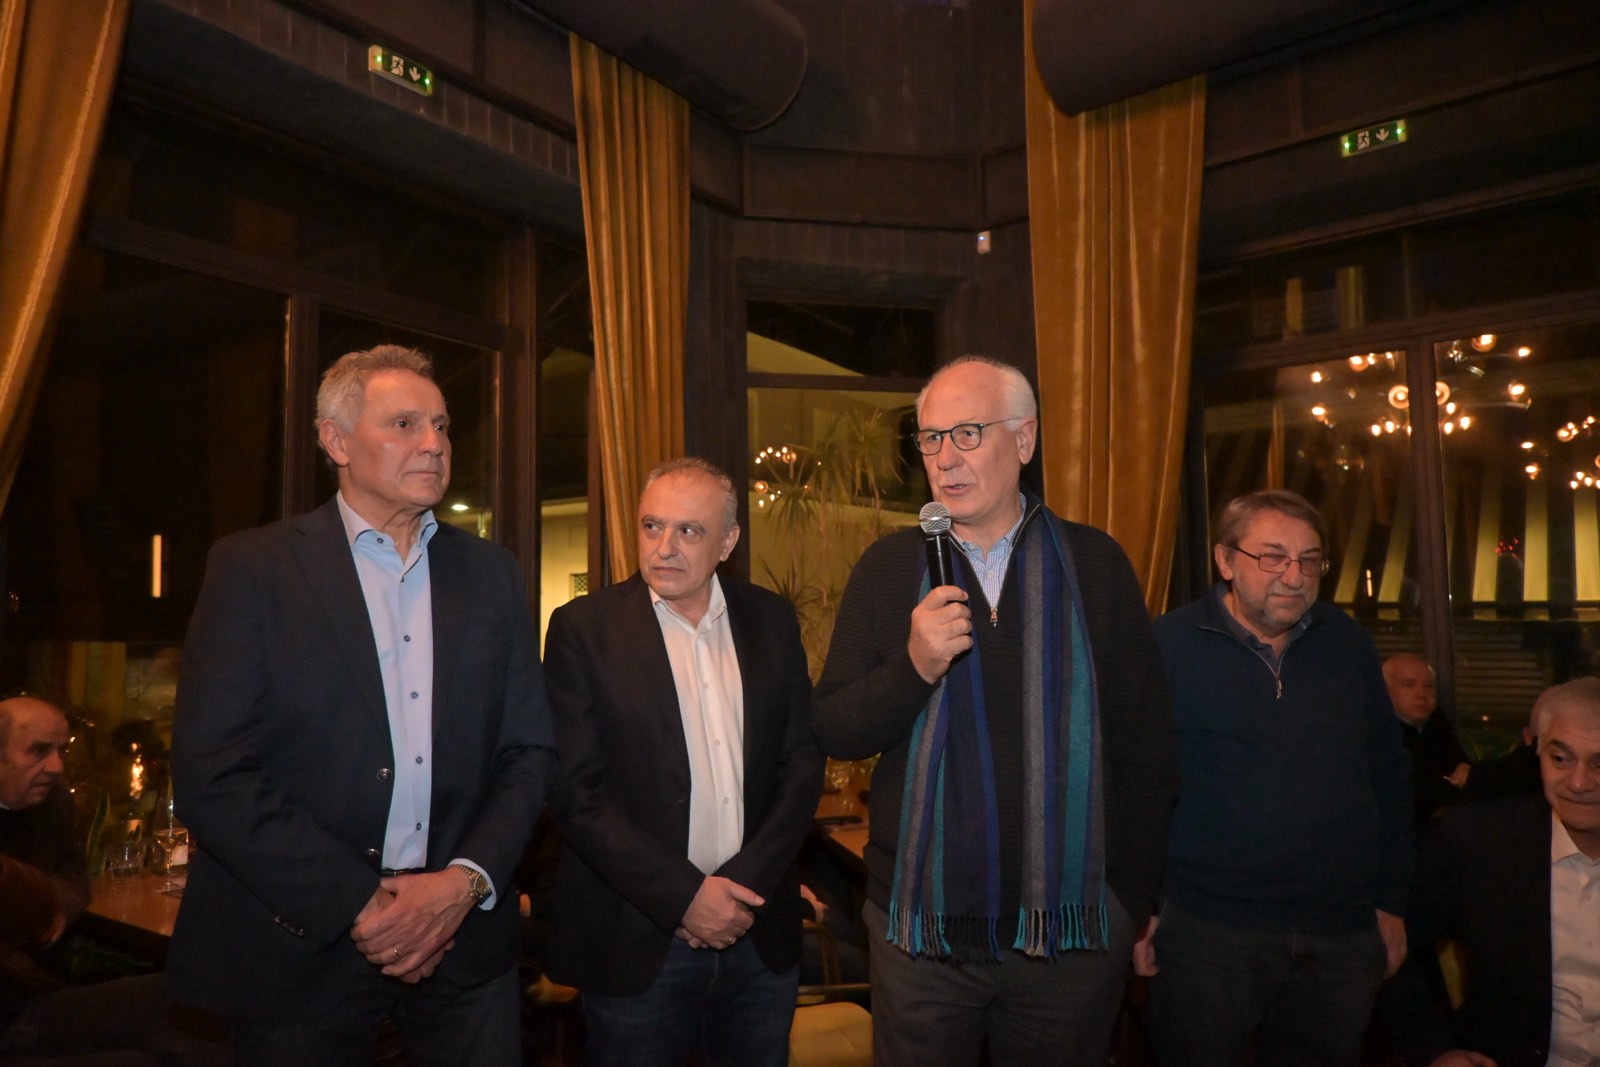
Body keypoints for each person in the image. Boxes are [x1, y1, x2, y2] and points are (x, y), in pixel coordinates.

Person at [168, 345, 554, 1066]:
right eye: (405, 424)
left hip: (463, 941)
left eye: (441, 425)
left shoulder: (492, 574)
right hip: (299, 943)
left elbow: (527, 751)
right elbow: (212, 770)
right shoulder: (256, 569)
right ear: (336, 440)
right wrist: (363, 902)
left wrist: (464, 882)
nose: (434, 443)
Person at [812, 356, 1177, 1066]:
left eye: (967, 433)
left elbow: (1148, 749)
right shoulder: (888, 568)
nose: (944, 457)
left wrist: (1129, 900)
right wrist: (914, 667)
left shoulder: (1095, 564)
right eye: (930, 438)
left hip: (1071, 935)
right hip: (920, 935)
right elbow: (834, 726)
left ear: (1025, 438)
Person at [544, 457, 823, 1067]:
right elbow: (574, 792)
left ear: (728, 542)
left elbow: (801, 765)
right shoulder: (583, 629)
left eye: (689, 530)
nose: (664, 547)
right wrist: (685, 897)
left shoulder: (771, 620)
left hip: (758, 934)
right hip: (639, 939)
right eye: (652, 526)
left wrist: (741, 890)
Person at [1140, 488, 1413, 1066]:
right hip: (1209, 931)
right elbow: (1137, 787)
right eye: (1272, 557)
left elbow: (1389, 775)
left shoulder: (1348, 644)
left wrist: (1391, 903)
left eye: (1309, 560)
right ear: (1225, 560)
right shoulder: (1168, 646)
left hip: (1340, 933)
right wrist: (1143, 909)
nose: (1294, 576)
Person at [1380, 676, 1600, 1067]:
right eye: (1560, 758)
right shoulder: (1476, 842)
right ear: (1535, 752)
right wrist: (1435, 1049)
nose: (1579, 782)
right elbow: (1392, 944)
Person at [1384, 653, 1472, 822]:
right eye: (1409, 684)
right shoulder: (1377, 731)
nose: (1421, 694)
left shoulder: (1434, 719)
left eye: (1428, 686)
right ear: (1385, 691)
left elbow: (1458, 764)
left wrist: (1465, 768)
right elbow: (1415, 789)